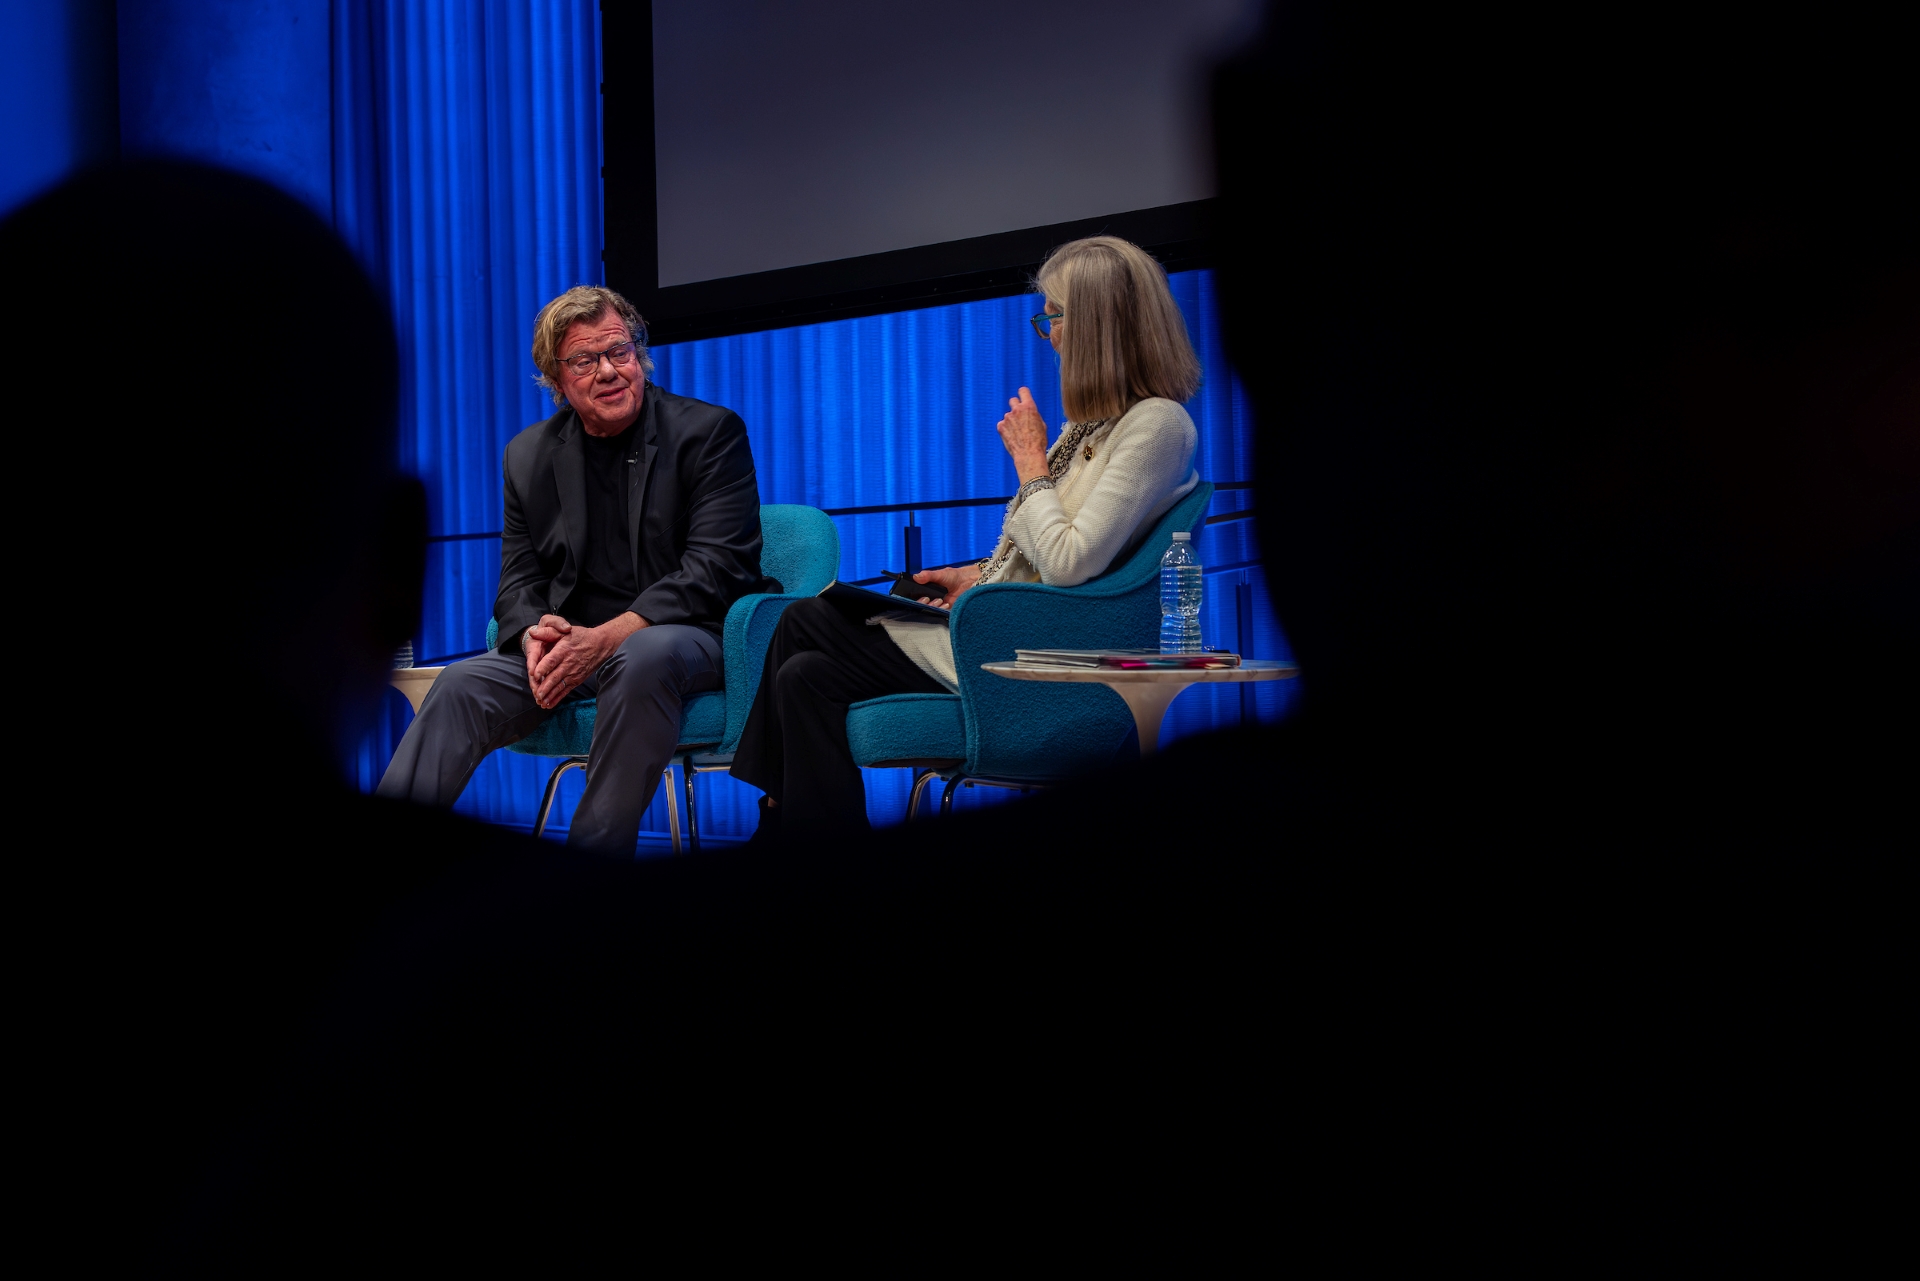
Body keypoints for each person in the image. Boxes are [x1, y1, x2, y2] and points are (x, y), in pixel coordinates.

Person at [729, 235, 1204, 833]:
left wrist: (1031, 462)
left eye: (1053, 317)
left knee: (803, 620)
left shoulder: (1157, 426)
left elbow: (1067, 562)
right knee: (803, 678)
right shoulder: (1092, 426)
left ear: (1097, 326)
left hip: (1037, 652)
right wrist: (974, 575)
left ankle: (771, 820)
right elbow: (1043, 545)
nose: (1048, 334)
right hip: (1001, 624)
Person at [377, 286, 777, 853]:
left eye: (620, 351)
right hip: (574, 644)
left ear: (640, 355)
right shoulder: (528, 456)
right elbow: (518, 576)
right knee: (462, 684)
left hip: (688, 638)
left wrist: (610, 636)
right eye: (585, 361)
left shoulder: (708, 433)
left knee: (642, 655)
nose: (610, 371)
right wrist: (536, 636)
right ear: (557, 380)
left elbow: (720, 566)